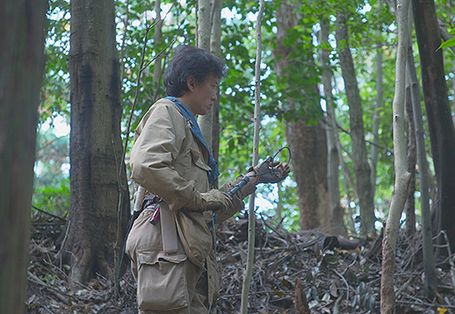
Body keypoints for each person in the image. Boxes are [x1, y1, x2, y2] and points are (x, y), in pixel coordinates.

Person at [125, 45, 289, 313]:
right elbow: (146, 166)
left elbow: (207, 207)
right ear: (192, 82)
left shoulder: (187, 125)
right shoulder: (167, 112)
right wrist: (199, 199)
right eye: (212, 86)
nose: (215, 95)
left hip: (183, 247)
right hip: (166, 243)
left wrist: (253, 179)